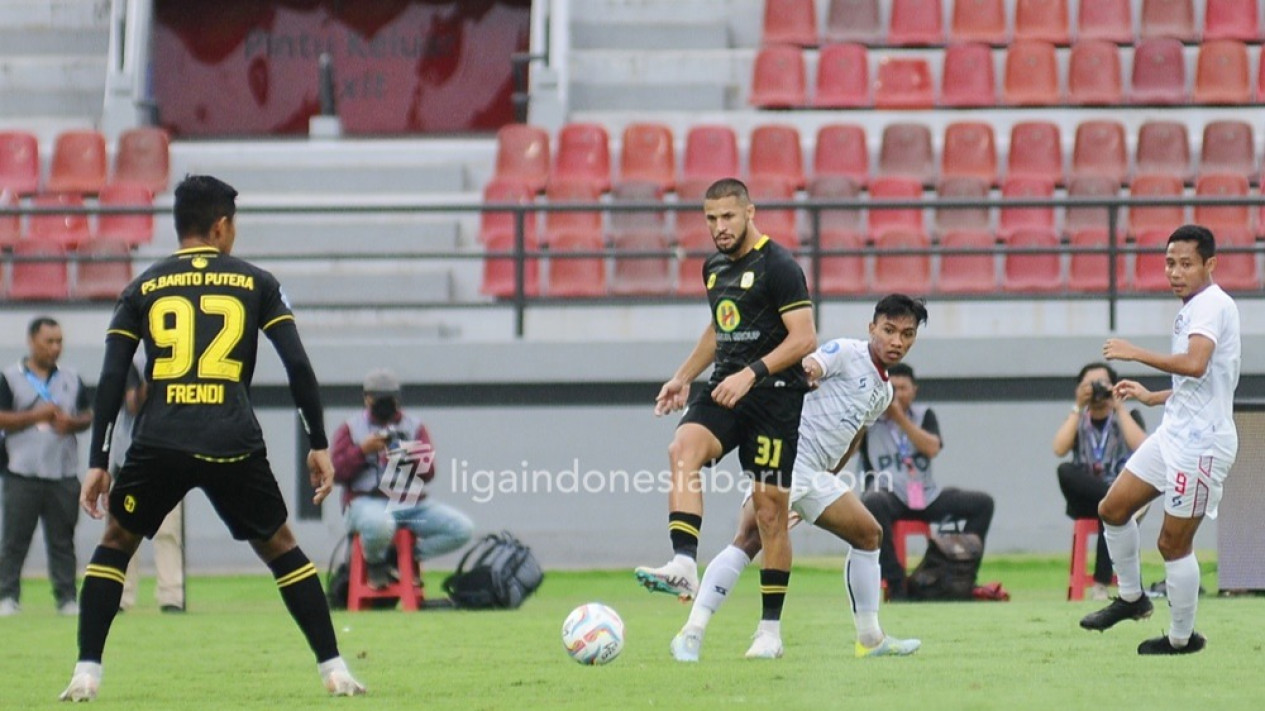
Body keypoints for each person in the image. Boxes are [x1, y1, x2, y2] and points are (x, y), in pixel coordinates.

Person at [59, 175, 365, 701]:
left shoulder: (142, 287)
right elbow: (298, 365)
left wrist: (98, 460)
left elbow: (111, 379)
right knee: (282, 548)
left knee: (116, 544)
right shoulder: (258, 282)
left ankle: (86, 673)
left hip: (160, 440)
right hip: (232, 440)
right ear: (221, 226)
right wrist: (317, 442)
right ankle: (334, 668)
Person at [670, 294, 928, 662]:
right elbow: (810, 366)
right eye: (888, 330)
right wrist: (806, 375)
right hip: (788, 458)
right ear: (872, 328)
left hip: (814, 474)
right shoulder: (846, 351)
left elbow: (854, 436)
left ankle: (871, 639)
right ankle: (691, 632)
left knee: (869, 535)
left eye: (906, 334)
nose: (896, 341)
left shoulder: (884, 391)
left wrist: (827, 479)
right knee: (747, 539)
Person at [635, 178, 817, 659]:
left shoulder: (780, 266)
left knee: (769, 515)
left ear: (749, 212)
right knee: (682, 449)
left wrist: (752, 374)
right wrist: (682, 377)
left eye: (728, 217)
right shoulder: (714, 267)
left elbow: (804, 339)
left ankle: (769, 632)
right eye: (711, 219)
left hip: (774, 397)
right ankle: (683, 562)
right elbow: (721, 326)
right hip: (725, 388)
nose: (719, 227)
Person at [1080, 224, 1240, 655]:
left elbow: (1196, 364)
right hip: (1174, 433)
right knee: (1112, 509)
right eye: (1170, 263)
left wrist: (1135, 353)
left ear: (1210, 264)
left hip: (1202, 445)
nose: (1175, 272)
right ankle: (1132, 598)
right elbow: (1207, 380)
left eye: (1186, 264)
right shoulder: (1194, 307)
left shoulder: (1211, 305)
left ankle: (1181, 639)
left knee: (1172, 543)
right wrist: (1154, 397)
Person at [860, 363, 995, 599]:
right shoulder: (869, 418)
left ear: (914, 390)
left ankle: (960, 576)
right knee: (871, 502)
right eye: (892, 388)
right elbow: (848, 450)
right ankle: (896, 583)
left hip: (925, 494)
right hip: (888, 494)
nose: (897, 394)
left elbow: (932, 448)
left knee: (982, 503)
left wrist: (900, 419)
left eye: (903, 388)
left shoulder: (924, 415)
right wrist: (866, 416)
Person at [331, 368, 473, 586]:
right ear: (367, 399)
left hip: (410, 504)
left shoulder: (414, 426)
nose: (385, 404)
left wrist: (407, 453)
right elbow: (336, 473)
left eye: (390, 398)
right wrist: (363, 451)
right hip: (365, 501)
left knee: (461, 528)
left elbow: (428, 473)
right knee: (380, 524)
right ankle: (375, 563)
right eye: (379, 398)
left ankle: (402, 558)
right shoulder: (351, 428)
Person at [0, 316, 92, 617]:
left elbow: (87, 415)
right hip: (21, 472)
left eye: (59, 342)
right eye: (48, 341)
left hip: (62, 473)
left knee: (63, 541)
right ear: (31, 342)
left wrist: (72, 423)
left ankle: (66, 598)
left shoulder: (72, 378)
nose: (55, 348)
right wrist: (36, 416)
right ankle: (7, 596)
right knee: (14, 540)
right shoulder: (10, 377)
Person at [1052, 362, 1148, 600]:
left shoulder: (1128, 417)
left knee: (1110, 509)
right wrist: (1078, 406)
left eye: (1102, 383)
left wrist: (1119, 407)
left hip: (1119, 491)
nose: (1096, 389)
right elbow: (1059, 449)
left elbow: (1143, 448)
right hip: (1089, 497)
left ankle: (1101, 586)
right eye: (1089, 384)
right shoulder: (1077, 419)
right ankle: (1119, 500)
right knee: (1066, 471)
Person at [113, 356, 186, 614]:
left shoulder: (182, 357)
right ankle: (120, 595)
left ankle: (171, 595)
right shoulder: (128, 359)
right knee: (124, 530)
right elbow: (133, 404)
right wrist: (151, 379)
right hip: (130, 458)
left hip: (168, 456)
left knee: (169, 531)